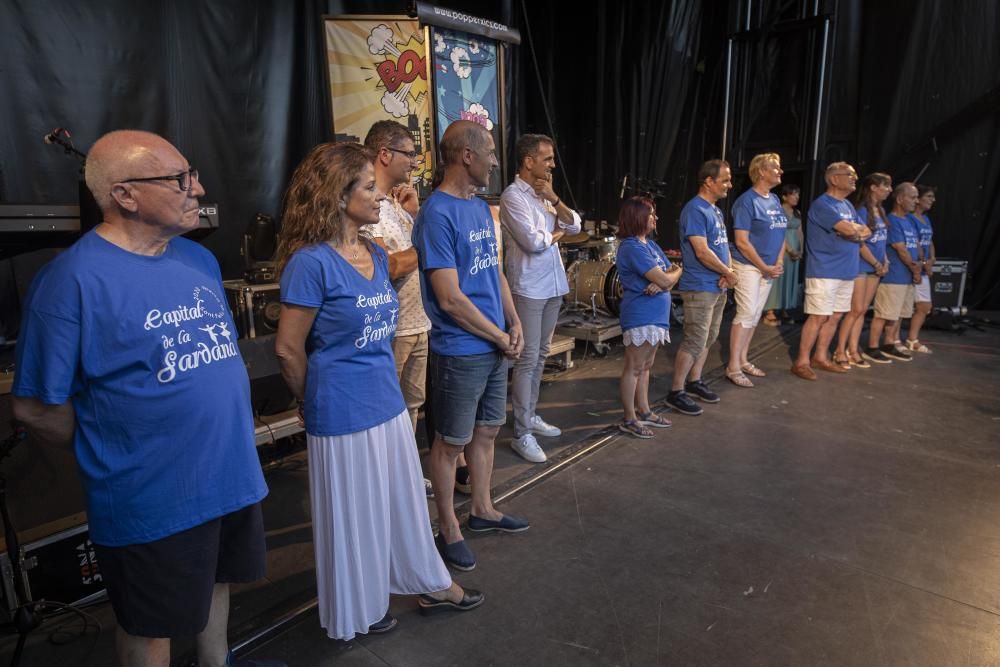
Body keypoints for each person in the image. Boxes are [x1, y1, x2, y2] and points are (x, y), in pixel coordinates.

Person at [11, 130, 278, 667]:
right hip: (151, 496)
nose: (197, 188)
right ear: (125, 194)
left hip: (228, 476)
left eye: (193, 174)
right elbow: (35, 407)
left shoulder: (196, 262)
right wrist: (116, 448)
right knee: (150, 623)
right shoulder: (69, 283)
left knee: (218, 580)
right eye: (180, 179)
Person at [274, 142, 483, 641]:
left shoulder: (374, 250)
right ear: (337, 193)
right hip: (341, 410)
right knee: (354, 517)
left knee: (403, 503)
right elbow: (287, 349)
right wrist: (311, 398)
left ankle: (428, 582)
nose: (378, 196)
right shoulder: (310, 264)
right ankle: (361, 609)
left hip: (385, 401)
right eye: (368, 187)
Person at [412, 120, 528, 572]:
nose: (496, 161)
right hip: (461, 349)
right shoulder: (436, 213)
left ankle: (482, 509)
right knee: (450, 443)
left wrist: (513, 320)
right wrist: (499, 334)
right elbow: (449, 298)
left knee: (486, 432)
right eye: (491, 153)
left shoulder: (481, 209)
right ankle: (449, 528)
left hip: (494, 344)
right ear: (466, 155)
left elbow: (494, 272)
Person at [362, 120, 435, 495]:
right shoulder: (366, 200)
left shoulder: (394, 203)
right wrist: (425, 248)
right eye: (409, 153)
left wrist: (414, 214)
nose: (414, 162)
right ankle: (383, 483)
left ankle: (402, 474)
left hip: (416, 322)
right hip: (389, 329)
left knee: (412, 406)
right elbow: (384, 267)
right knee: (386, 411)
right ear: (385, 154)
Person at [499, 133, 581, 462]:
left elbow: (574, 225)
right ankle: (521, 432)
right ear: (528, 161)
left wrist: (554, 199)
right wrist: (556, 233)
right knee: (528, 358)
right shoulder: (512, 196)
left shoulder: (545, 194)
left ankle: (530, 415)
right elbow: (533, 242)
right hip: (528, 287)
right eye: (547, 158)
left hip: (552, 284)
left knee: (542, 354)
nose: (552, 164)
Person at [666, 159, 737, 416]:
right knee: (695, 338)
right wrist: (727, 272)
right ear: (709, 181)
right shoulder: (695, 210)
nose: (729, 185)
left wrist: (727, 273)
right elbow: (701, 251)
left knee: (709, 336)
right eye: (725, 180)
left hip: (717, 284)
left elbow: (722, 246)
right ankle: (676, 392)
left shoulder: (715, 210)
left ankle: (694, 381)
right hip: (699, 286)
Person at [791, 162, 872, 380]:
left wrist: (854, 231)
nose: (855, 178)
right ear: (834, 179)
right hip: (824, 271)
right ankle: (802, 361)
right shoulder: (823, 205)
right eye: (850, 174)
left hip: (846, 271)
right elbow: (849, 229)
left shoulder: (847, 205)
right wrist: (853, 231)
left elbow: (866, 231)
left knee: (835, 317)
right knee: (818, 316)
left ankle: (820, 357)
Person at [614, 197, 682, 437]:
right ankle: (629, 417)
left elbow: (674, 269)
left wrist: (666, 280)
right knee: (634, 366)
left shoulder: (650, 246)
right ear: (637, 217)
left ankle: (643, 411)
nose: (656, 218)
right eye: (651, 214)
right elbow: (666, 277)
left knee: (645, 366)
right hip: (640, 314)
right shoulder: (631, 246)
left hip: (656, 315)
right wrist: (664, 281)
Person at [725, 153, 787, 387]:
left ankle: (742, 359)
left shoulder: (774, 200)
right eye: (776, 168)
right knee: (746, 312)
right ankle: (732, 367)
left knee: (754, 314)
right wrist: (763, 266)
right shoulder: (746, 201)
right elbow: (742, 241)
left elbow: (780, 233)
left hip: (768, 268)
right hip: (749, 265)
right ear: (761, 171)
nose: (780, 172)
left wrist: (778, 261)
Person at [834, 172, 892, 369]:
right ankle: (840, 350)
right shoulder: (859, 210)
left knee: (862, 310)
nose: (889, 190)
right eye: (886, 186)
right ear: (874, 187)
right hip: (861, 265)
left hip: (876, 266)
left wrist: (884, 261)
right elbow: (860, 242)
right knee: (855, 309)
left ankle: (853, 348)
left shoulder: (880, 210)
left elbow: (882, 241)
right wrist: (876, 263)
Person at [863, 182, 922, 363]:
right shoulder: (893, 220)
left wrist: (920, 265)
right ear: (899, 199)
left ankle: (889, 344)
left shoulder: (909, 220)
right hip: (894, 276)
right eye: (912, 197)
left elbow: (917, 245)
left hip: (907, 277)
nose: (916, 201)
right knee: (883, 314)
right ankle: (872, 346)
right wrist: (915, 270)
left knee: (897, 315)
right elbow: (900, 249)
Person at [763, 184, 804, 325]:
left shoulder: (797, 212)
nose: (796, 197)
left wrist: (800, 250)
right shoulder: (777, 211)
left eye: (797, 194)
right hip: (781, 248)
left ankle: (785, 308)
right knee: (778, 280)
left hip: (795, 250)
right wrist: (790, 249)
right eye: (793, 194)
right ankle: (770, 311)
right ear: (784, 196)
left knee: (789, 279)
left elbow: (800, 232)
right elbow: (778, 232)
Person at [906, 185, 937, 353]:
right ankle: (897, 340)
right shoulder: (910, 219)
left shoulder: (926, 219)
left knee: (925, 306)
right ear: (918, 199)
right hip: (913, 267)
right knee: (906, 307)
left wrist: (932, 258)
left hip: (924, 267)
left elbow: (929, 241)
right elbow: (915, 243)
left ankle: (912, 339)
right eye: (929, 196)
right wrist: (925, 262)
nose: (933, 200)